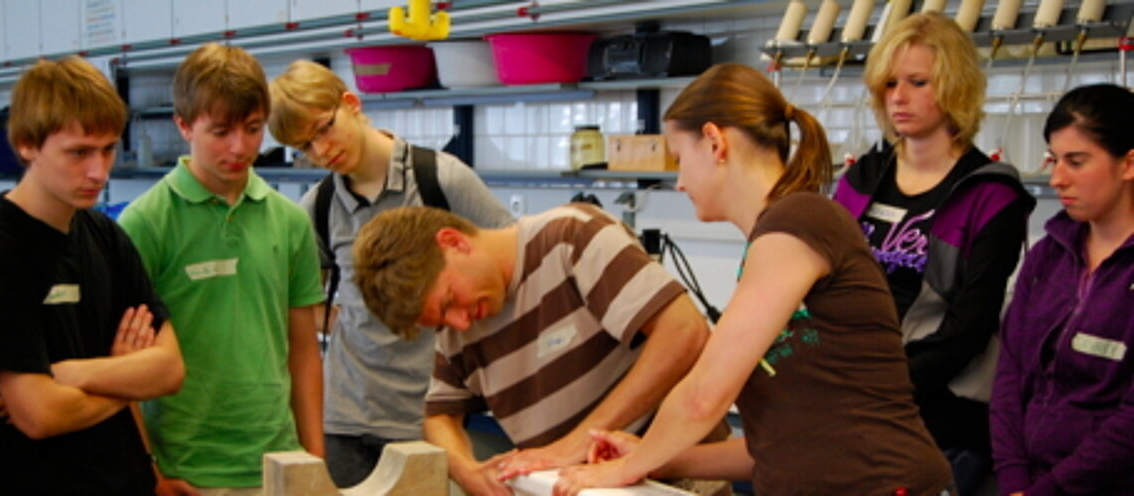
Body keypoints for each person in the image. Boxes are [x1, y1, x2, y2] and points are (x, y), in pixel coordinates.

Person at [554, 63, 953, 496]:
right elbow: (777, 447)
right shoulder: (773, 241)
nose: (681, 182)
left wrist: (620, 472)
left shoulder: (800, 220)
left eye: (680, 157)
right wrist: (649, 458)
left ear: (714, 141)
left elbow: (704, 396)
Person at [352, 202, 717, 495]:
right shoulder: (459, 330)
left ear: (453, 242)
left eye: (450, 301)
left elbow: (684, 331)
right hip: (572, 486)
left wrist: (572, 446)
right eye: (443, 320)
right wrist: (466, 471)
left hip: (673, 476)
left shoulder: (572, 237)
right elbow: (438, 415)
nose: (460, 322)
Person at [267, 59, 512, 487]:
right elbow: (302, 307)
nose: (321, 151)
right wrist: (354, 321)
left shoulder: (441, 180)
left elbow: (512, 267)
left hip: (432, 415)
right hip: (345, 417)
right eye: (306, 147)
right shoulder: (319, 207)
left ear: (351, 103)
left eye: (324, 128)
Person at [0, 56, 184, 494]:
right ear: (27, 145)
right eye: (78, 152)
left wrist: (67, 374)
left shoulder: (105, 236)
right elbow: (41, 416)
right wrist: (125, 375)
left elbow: (169, 370)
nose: (99, 171)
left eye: (108, 149)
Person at [833, 13, 1034, 494]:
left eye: (917, 82)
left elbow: (970, 324)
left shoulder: (991, 194)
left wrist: (882, 386)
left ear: (954, 86)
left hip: (940, 414)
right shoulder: (860, 181)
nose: (898, 97)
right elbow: (820, 290)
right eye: (889, 83)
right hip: (851, 397)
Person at [118, 43, 326, 493]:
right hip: (188, 469)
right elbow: (123, 365)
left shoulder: (289, 221)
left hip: (277, 460)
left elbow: (304, 350)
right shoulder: (145, 223)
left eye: (253, 129)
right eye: (221, 131)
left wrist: (313, 461)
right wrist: (149, 471)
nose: (240, 147)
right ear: (184, 125)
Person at [991, 83, 1134, 496]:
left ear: (1127, 164)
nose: (1057, 178)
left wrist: (1049, 490)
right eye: (1054, 160)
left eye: (1076, 161)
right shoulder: (1047, 256)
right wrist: (1013, 477)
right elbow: (1010, 373)